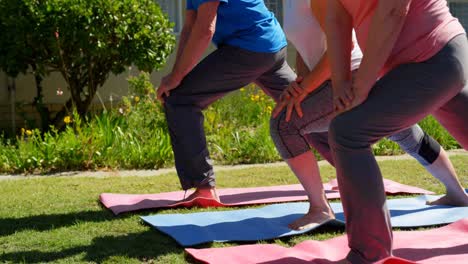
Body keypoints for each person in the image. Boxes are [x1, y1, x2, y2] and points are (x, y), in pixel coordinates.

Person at [272, 0, 468, 231]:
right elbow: (309, 46)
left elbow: (349, 36)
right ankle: (457, 194)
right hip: (373, 72)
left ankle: (325, 212)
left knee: (295, 126)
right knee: (406, 136)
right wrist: (302, 82)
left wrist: (348, 84)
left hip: (361, 70)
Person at [324, 0, 468, 262]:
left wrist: (361, 86)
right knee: (347, 129)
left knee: (348, 132)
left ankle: (368, 254)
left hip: (434, 56)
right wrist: (341, 84)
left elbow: (392, 10)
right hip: (426, 63)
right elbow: (336, 18)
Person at [156, 0, 297, 201]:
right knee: (302, 108)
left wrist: (177, 77)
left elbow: (205, 30)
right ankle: (351, 168)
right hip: (270, 45)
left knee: (180, 100)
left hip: (249, 48)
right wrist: (176, 74)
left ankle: (203, 187)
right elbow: (190, 27)